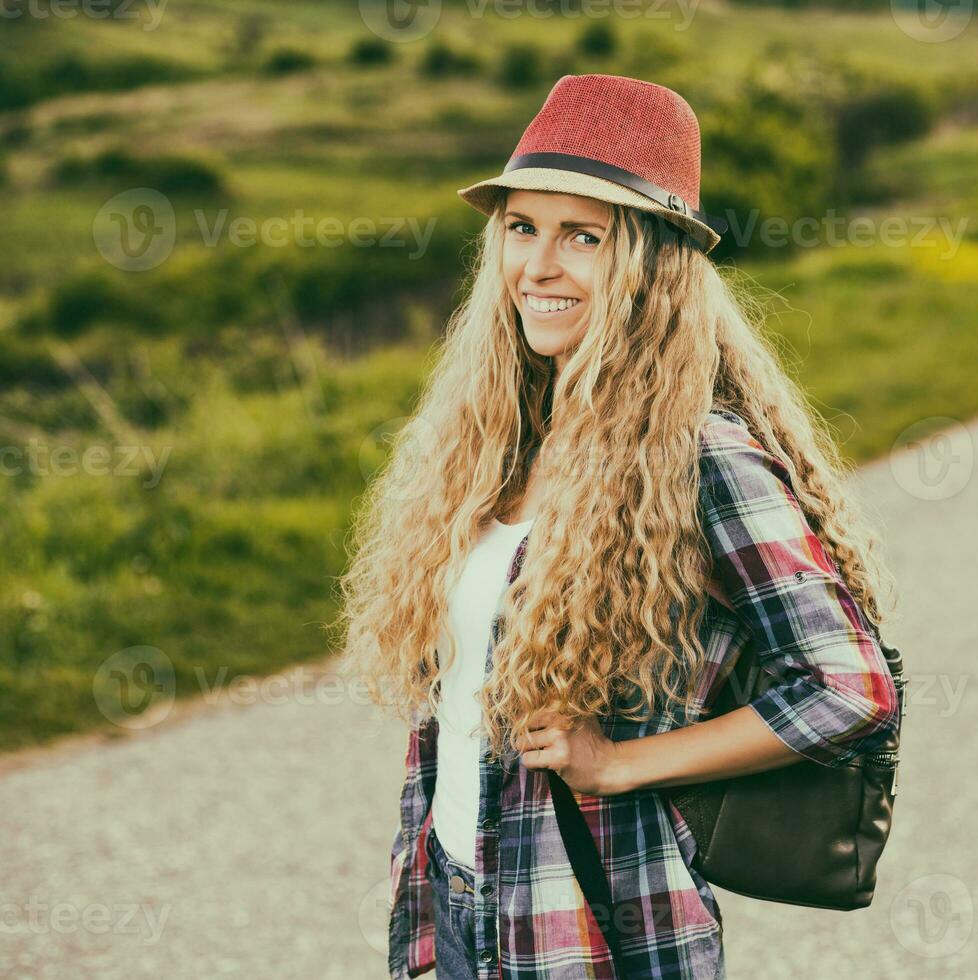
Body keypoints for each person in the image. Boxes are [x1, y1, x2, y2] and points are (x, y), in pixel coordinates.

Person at [336, 73, 901, 980]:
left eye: (582, 236)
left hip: (597, 924)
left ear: (651, 264)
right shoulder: (497, 442)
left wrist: (622, 765)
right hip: (457, 897)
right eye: (522, 228)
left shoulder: (698, 454)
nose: (538, 266)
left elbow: (849, 687)